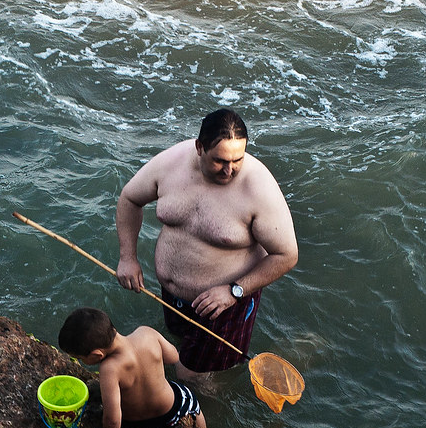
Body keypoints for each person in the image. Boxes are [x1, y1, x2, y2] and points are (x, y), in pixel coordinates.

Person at [116, 108, 298, 379]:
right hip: (172, 297)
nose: (229, 170)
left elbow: (287, 254)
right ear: (199, 147)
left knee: (190, 376)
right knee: (179, 350)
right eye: (220, 161)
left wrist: (234, 291)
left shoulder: (258, 189)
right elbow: (130, 198)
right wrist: (128, 257)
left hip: (226, 306)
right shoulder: (172, 163)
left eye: (238, 159)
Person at [57, 307, 212, 428]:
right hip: (172, 412)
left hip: (139, 425)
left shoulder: (109, 369)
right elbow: (173, 357)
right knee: (189, 399)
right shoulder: (146, 333)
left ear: (97, 354)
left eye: (79, 358)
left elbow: (112, 416)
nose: (80, 361)